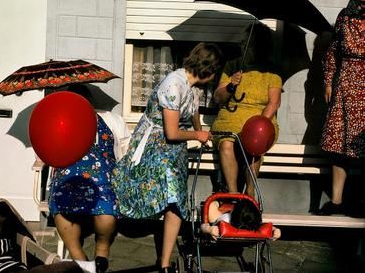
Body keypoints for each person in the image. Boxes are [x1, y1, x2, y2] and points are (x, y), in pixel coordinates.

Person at [112, 42, 224, 273]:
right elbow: (171, 133)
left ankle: (164, 264)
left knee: (176, 202)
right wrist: (196, 134)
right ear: (208, 69)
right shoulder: (173, 84)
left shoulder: (192, 86)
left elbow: (193, 112)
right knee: (163, 196)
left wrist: (202, 132)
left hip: (174, 150)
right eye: (215, 71)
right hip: (155, 146)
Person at [45, 84, 131, 273]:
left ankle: (102, 253)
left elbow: (126, 151)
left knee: (107, 214)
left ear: (90, 103)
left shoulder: (110, 120)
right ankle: (80, 260)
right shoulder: (60, 122)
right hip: (68, 181)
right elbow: (45, 152)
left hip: (102, 181)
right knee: (61, 209)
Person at [211, 22, 282, 198]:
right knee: (227, 144)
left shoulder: (272, 71)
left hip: (259, 121)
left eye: (247, 44)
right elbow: (218, 99)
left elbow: (274, 103)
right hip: (230, 120)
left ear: (260, 46)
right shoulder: (232, 66)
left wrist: (258, 124)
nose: (243, 47)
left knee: (254, 145)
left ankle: (249, 192)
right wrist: (229, 86)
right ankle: (233, 194)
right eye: (242, 43)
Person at [317, 0, 365, 216]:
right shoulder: (344, 18)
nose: (362, 6)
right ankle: (336, 201)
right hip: (345, 84)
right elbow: (333, 52)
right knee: (338, 146)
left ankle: (361, 202)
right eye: (360, 1)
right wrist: (328, 83)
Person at [200, 198, 281, 241]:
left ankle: (220, 201)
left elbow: (203, 227)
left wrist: (209, 229)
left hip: (221, 224)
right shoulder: (254, 224)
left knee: (211, 206)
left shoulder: (225, 221)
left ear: (232, 211)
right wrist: (275, 230)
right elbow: (264, 227)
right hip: (244, 236)